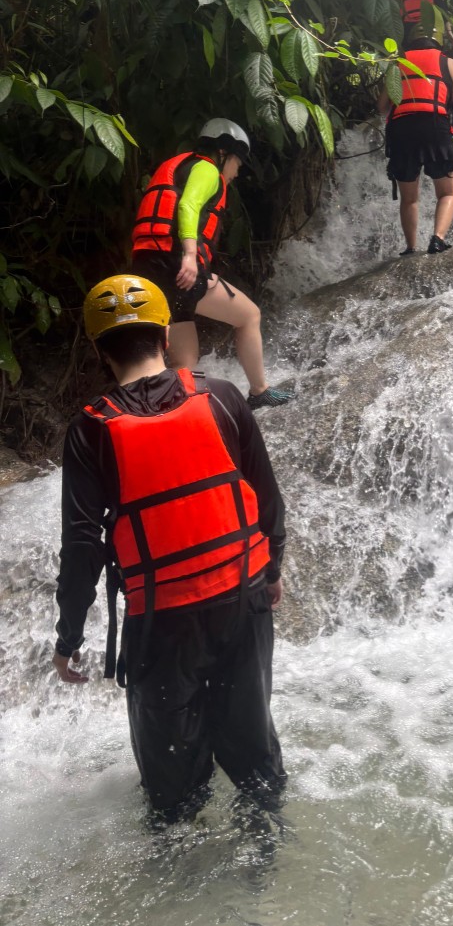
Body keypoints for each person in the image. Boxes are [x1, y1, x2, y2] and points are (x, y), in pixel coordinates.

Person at [52, 274, 288, 821]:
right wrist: (272, 569)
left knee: (173, 792)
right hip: (244, 602)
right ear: (165, 334)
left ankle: (183, 863)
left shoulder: (91, 431)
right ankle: (264, 854)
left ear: (99, 350)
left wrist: (69, 637)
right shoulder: (222, 396)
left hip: (161, 623)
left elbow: (82, 546)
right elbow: (268, 500)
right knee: (256, 763)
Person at [131, 117, 290, 411]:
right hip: (175, 266)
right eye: (237, 163)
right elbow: (188, 205)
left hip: (150, 265)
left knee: (184, 361)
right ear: (223, 153)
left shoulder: (182, 166)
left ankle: (167, 414)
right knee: (249, 315)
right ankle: (260, 392)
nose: (237, 172)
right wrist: (190, 255)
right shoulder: (206, 168)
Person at [377, 10, 453, 256]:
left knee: (409, 198)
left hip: (401, 129)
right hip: (435, 126)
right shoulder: (451, 64)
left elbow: (382, 106)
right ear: (439, 39)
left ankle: (410, 247)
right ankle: (438, 239)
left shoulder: (398, 63)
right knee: (447, 192)